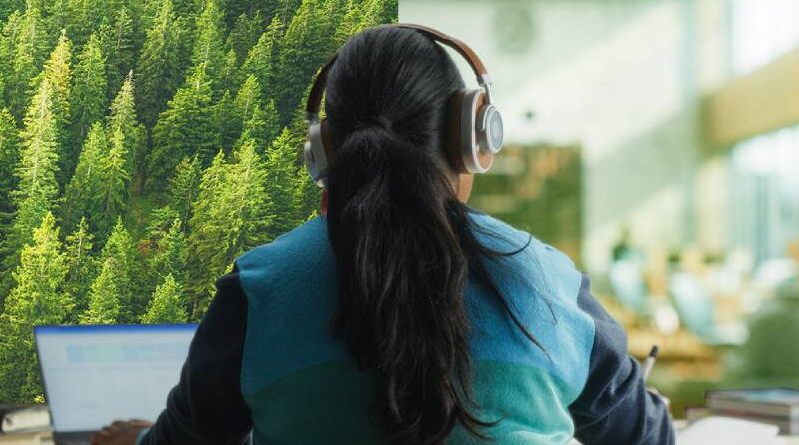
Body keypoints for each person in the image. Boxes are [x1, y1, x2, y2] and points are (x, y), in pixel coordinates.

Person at [91, 24, 674, 445]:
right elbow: (647, 438)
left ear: (324, 151)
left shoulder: (260, 288)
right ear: (472, 137)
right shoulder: (549, 282)